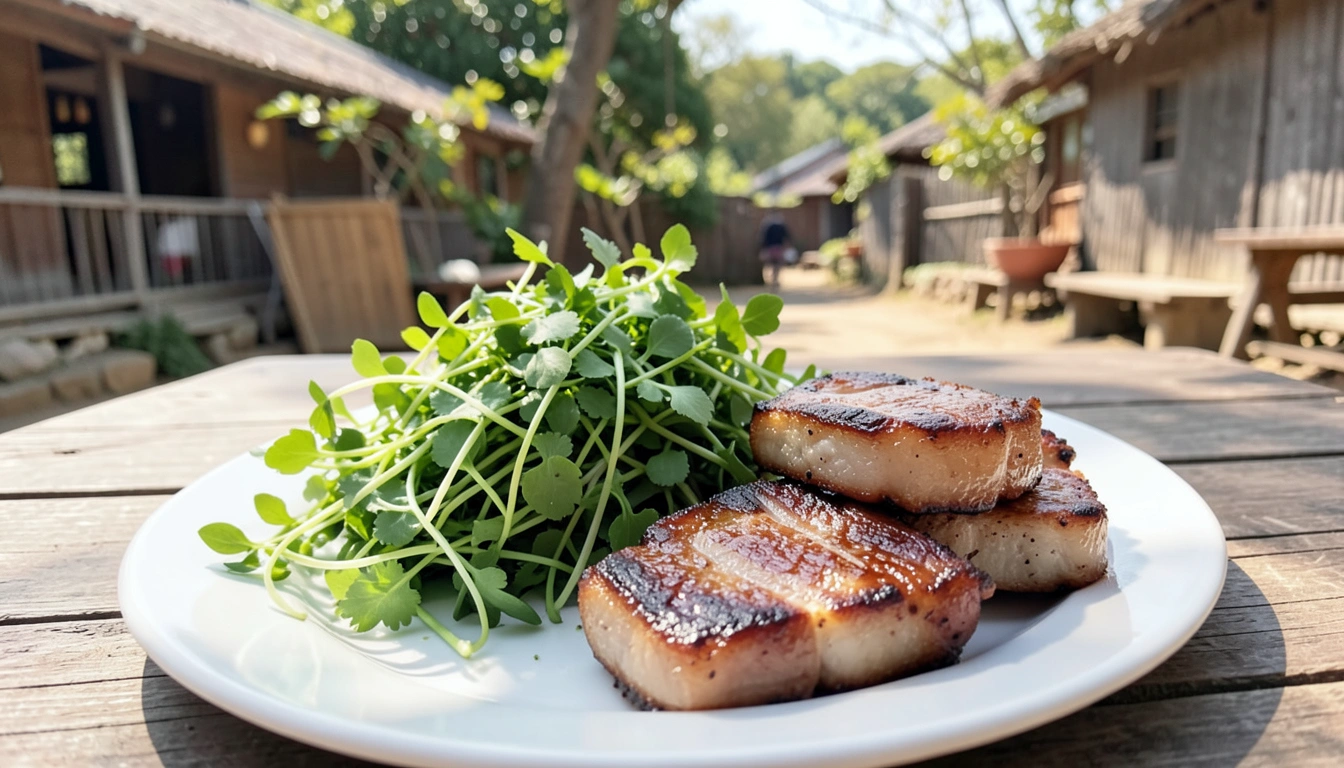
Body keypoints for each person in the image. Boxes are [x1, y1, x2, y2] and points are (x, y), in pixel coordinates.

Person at [759, 214, 793, 288]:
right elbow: (786, 237)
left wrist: (763, 247)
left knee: (770, 264)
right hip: (778, 247)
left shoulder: (767, 225)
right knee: (777, 265)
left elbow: (763, 238)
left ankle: (773, 279)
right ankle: (775, 279)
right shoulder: (781, 225)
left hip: (770, 247)